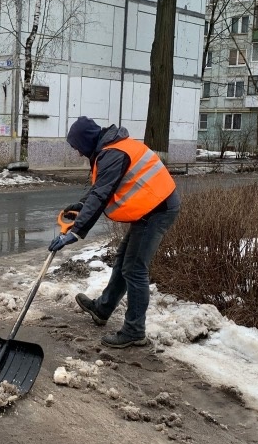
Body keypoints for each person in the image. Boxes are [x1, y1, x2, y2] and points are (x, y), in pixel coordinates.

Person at [49, 116, 181, 348]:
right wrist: (82, 206)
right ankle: (103, 309)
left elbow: (102, 194)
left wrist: (76, 232)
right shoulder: (110, 148)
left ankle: (134, 331)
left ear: (88, 141)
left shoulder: (113, 153)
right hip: (149, 208)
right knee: (123, 261)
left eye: (78, 147)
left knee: (135, 269)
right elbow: (100, 189)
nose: (78, 153)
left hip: (157, 210)